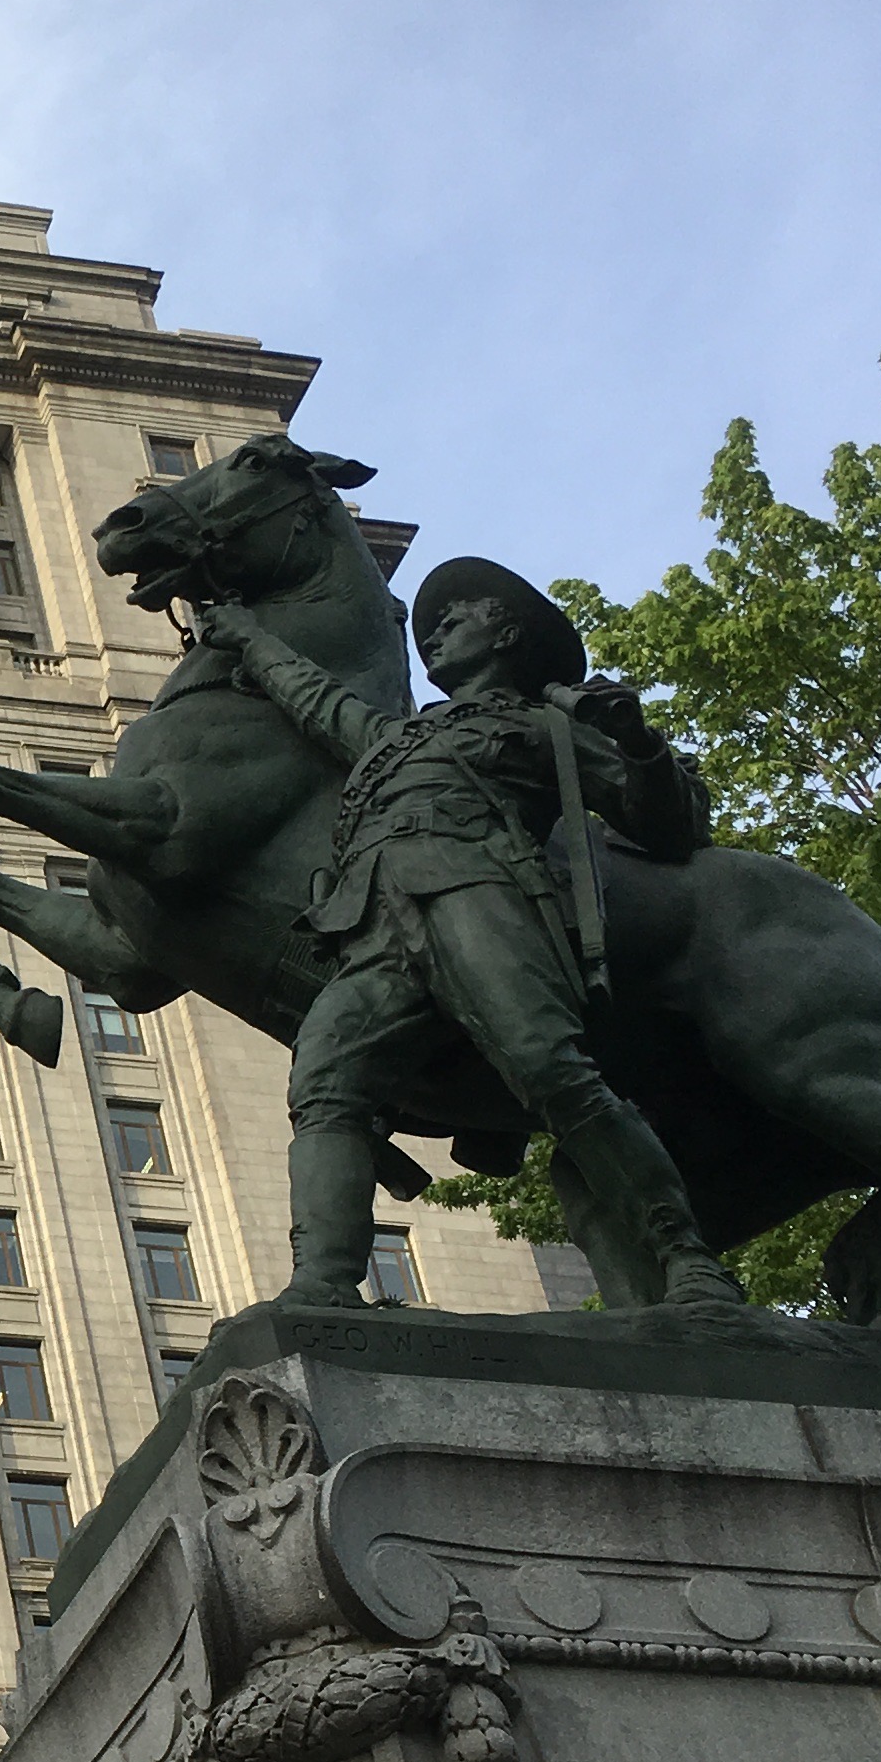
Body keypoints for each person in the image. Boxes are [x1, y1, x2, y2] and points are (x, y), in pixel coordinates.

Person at [195, 555, 744, 1310]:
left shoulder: (549, 725)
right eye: (429, 627)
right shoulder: (392, 737)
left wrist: (639, 743)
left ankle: (685, 1256)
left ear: (508, 632)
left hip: (482, 899)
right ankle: (324, 1283)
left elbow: (673, 825)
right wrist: (246, 634)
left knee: (553, 1073)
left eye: (458, 617)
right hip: (375, 927)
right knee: (325, 1085)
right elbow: (315, 698)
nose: (436, 632)